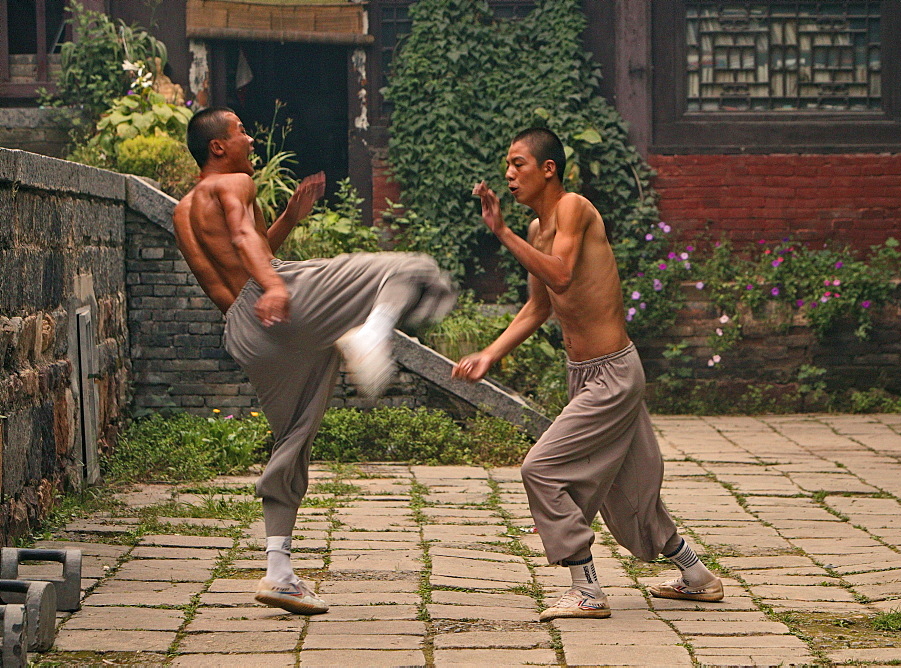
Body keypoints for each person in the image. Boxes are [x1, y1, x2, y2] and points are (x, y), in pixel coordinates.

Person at [173, 107, 455, 614]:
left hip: (247, 330)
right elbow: (243, 240)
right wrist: (277, 284)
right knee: (415, 269)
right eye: (241, 131)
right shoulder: (234, 182)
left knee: (292, 441)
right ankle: (370, 331)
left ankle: (278, 572)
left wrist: (288, 220)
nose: (251, 138)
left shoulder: (183, 210)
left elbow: (243, 252)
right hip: (278, 297)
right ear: (218, 147)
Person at [453, 128, 724, 621]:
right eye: (507, 167)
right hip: (586, 373)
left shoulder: (573, 207)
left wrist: (502, 232)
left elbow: (561, 273)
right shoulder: (537, 231)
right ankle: (697, 576)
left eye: (518, 165)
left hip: (614, 373)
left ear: (548, 168)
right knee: (631, 491)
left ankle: (586, 588)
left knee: (541, 469)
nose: (509, 175)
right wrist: (490, 354)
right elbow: (538, 307)